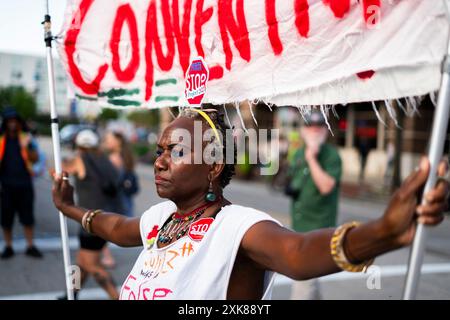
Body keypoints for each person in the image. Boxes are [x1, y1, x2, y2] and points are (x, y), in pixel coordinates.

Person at [51, 108, 449, 300]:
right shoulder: (160, 218)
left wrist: (382, 232)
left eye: (175, 151)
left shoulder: (236, 226)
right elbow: (116, 228)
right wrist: (69, 208)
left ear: (213, 166)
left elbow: (297, 253)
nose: (159, 160)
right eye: (158, 151)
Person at [57, 129, 123, 299]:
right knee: (82, 262)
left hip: (89, 220)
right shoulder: (104, 160)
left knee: (91, 265)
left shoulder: (81, 159)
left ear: (79, 144)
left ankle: (117, 297)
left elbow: (60, 173)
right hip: (106, 217)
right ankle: (71, 294)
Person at [285, 110, 341, 299]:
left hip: (319, 227)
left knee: (303, 278)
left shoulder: (331, 156)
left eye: (319, 126)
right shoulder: (298, 153)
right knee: (310, 280)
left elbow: (326, 187)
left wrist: (312, 159)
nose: (315, 130)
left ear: (325, 129)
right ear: (303, 130)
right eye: (310, 125)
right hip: (299, 224)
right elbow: (294, 182)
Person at [0, 107, 42, 259]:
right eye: (9, 121)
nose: (12, 124)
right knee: (6, 219)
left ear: (19, 122)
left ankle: (30, 246)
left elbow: (35, 159)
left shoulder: (26, 138)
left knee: (28, 218)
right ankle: (8, 246)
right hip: (6, 186)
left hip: (24, 184)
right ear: (5, 123)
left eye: (14, 121)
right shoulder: (1, 139)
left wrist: (27, 146)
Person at [100, 131, 139, 268]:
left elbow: (108, 181)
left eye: (108, 139)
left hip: (112, 201)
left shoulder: (113, 158)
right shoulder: (126, 157)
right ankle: (105, 256)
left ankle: (107, 257)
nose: (106, 141)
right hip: (124, 201)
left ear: (117, 142)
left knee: (100, 228)